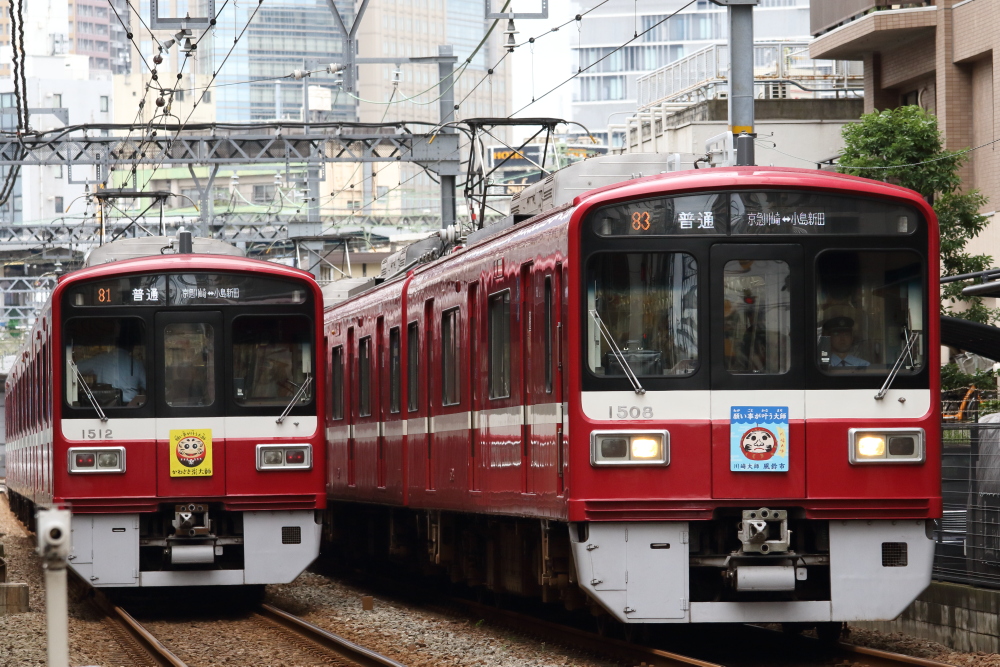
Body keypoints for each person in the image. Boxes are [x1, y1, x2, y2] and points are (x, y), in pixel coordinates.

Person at [76, 346, 147, 406]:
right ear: (132, 346)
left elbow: (76, 368)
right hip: (132, 408)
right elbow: (148, 387)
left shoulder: (101, 359)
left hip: (106, 407)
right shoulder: (137, 364)